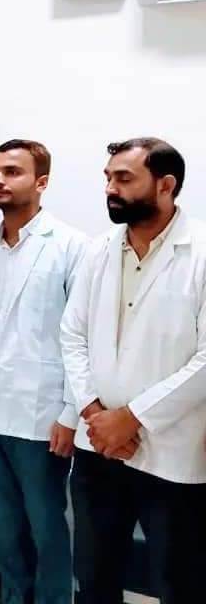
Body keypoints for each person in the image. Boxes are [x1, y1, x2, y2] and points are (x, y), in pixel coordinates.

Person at [62, 138, 206, 604]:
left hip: (172, 453)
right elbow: (72, 334)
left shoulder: (200, 251)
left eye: (124, 179)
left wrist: (131, 418)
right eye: (108, 178)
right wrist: (94, 412)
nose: (110, 188)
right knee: (94, 577)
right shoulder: (98, 250)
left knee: (179, 584)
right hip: (98, 448)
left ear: (166, 185)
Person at [0, 140, 86, 604]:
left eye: (12, 172)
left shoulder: (70, 247)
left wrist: (71, 413)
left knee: (48, 527)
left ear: (41, 182)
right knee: (3, 527)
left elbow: (81, 338)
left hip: (42, 414)